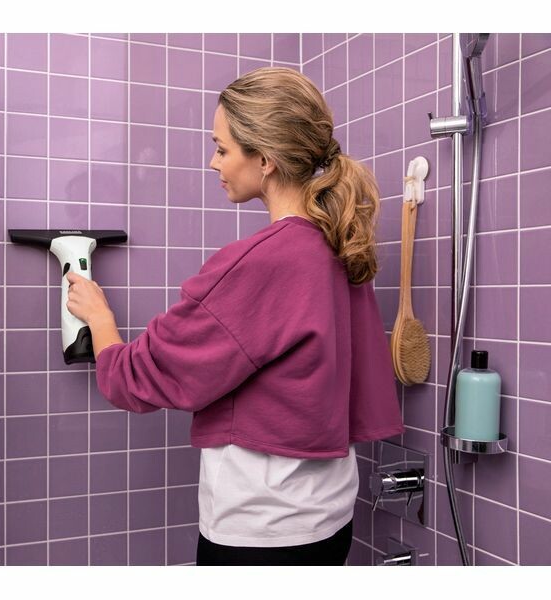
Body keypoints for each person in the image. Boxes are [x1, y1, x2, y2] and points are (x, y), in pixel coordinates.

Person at [64, 67, 405, 566]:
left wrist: (100, 320)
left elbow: (139, 378)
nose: (213, 162)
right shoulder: (337, 245)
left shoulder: (264, 261)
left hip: (262, 529)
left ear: (264, 159)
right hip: (329, 517)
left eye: (222, 149)